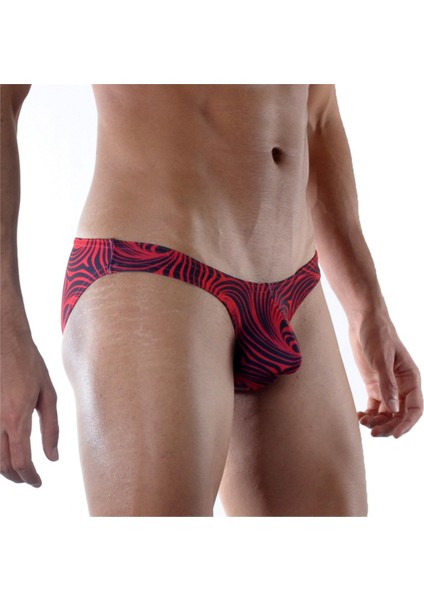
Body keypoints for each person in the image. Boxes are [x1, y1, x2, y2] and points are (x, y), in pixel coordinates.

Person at [1, 84, 422, 517]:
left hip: (295, 287)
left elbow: (317, 116)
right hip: (153, 269)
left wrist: (366, 307)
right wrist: (6, 336)